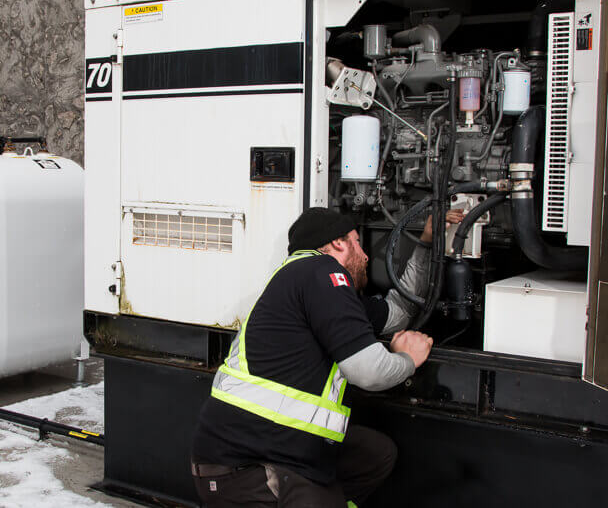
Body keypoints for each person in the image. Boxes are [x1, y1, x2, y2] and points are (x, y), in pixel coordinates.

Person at [191, 206, 464, 507]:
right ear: (337, 243)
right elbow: (369, 372)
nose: (366, 256)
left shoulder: (316, 286)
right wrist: (408, 359)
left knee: (374, 453)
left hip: (272, 453)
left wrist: (426, 242)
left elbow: (399, 311)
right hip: (249, 467)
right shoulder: (322, 271)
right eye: (358, 242)